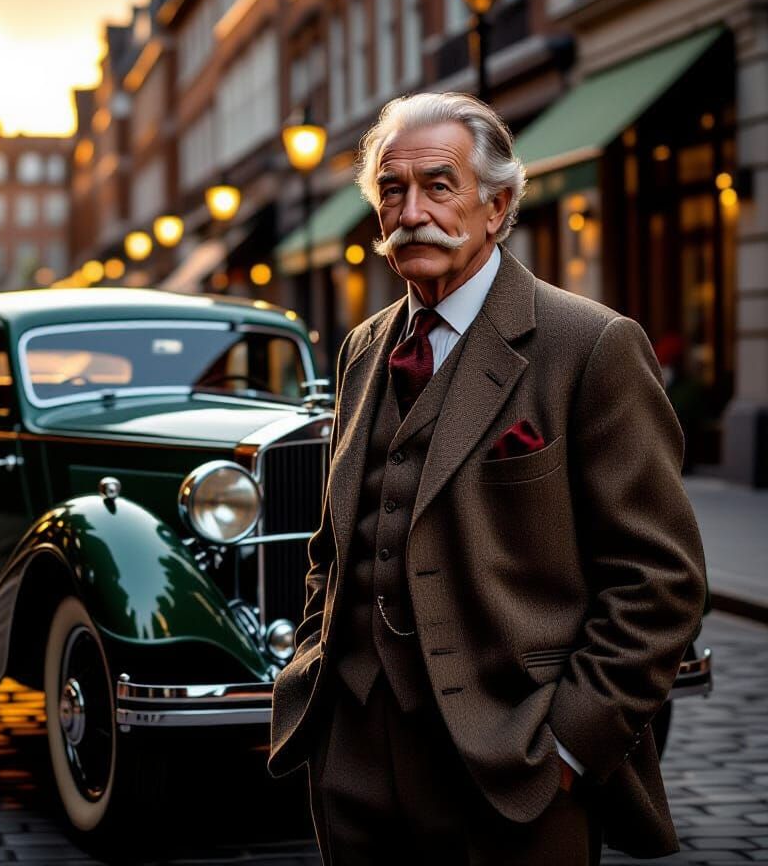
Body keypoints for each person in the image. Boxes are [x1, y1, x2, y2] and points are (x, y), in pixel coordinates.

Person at [268, 93, 706, 864]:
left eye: (439, 185)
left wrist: (568, 749)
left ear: (497, 206)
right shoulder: (363, 348)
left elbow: (659, 583)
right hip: (354, 757)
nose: (412, 211)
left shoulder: (591, 345)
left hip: (513, 765)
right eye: (392, 192)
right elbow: (333, 549)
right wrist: (317, 677)